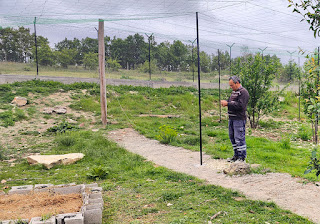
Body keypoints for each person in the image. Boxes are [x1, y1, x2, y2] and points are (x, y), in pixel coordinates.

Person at [221, 76, 249, 162]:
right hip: (232, 118)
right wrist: (225, 102)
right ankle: (236, 155)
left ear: (237, 83)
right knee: (232, 137)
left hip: (239, 119)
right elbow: (231, 101)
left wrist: (228, 104)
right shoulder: (234, 92)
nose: (231, 87)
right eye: (230, 85)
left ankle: (242, 158)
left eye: (232, 85)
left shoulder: (243, 92)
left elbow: (240, 105)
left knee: (239, 138)